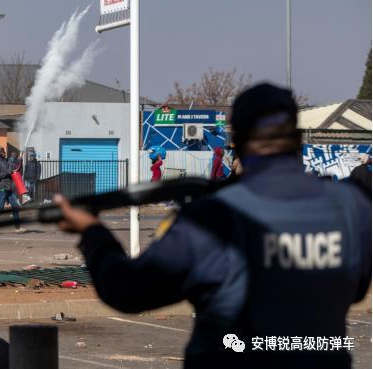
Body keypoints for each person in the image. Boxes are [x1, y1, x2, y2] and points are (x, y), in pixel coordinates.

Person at [54, 83, 371, 369]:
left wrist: (92, 232)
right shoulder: (352, 206)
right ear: (298, 140)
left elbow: (127, 290)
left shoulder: (214, 216)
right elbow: (356, 289)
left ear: (238, 142)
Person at [0, 146, 26, 234]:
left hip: (9, 187)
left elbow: (15, 169)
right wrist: (6, 172)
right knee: (0, 207)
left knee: (15, 206)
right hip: (2, 187)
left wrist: (20, 160)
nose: (4, 152)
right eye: (2, 151)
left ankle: (17, 227)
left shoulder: (7, 160)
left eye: (4, 150)